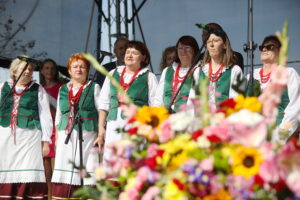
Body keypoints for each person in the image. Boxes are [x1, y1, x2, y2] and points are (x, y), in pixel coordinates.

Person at [97, 41, 158, 173]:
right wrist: (101, 129)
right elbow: (104, 103)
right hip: (113, 125)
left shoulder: (148, 76)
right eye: (128, 52)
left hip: (136, 126)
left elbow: (155, 107)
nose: (129, 55)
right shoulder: (113, 74)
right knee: (112, 165)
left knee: (132, 164)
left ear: (143, 57)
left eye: (134, 53)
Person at [0, 57, 52, 199]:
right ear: (15, 70)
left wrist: (46, 141)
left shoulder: (38, 89)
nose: (28, 71)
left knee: (28, 170)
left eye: (30, 69)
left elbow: (45, 115)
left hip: (30, 137)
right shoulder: (3, 86)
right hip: (5, 137)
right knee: (6, 167)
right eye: (24, 68)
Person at [51, 53, 101, 199]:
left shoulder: (94, 87)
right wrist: (57, 137)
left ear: (87, 70)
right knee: (65, 166)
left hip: (87, 135)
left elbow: (101, 112)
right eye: (75, 66)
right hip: (66, 135)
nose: (79, 69)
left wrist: (100, 134)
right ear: (69, 70)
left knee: (87, 167)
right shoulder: (63, 89)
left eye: (83, 67)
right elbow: (59, 115)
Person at [248, 35, 300, 139]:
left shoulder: (289, 73)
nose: (264, 49)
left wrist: (281, 135)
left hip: (282, 133)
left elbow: (296, 106)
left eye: (270, 47)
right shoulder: (250, 76)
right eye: (262, 47)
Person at [189, 26, 243, 110]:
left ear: (225, 45)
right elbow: (192, 103)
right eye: (209, 41)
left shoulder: (234, 70)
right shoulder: (198, 71)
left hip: (224, 120)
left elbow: (236, 102)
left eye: (216, 41)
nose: (211, 44)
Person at [39, 58, 65, 200]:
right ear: (42, 71)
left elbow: (62, 109)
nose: (50, 71)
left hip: (56, 132)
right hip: (42, 133)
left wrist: (48, 98)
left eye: (52, 68)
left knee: (56, 172)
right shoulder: (37, 89)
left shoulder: (62, 87)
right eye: (46, 68)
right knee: (46, 173)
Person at [154, 35, 200, 112]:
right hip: (165, 118)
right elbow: (158, 99)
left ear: (194, 50)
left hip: (184, 117)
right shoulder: (167, 70)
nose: (183, 51)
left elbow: (195, 99)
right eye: (180, 48)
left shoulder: (198, 71)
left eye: (187, 48)